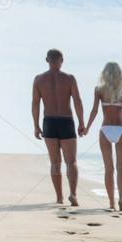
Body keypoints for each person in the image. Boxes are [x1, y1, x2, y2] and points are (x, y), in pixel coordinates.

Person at [32, 48, 85, 206]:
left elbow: (35, 104)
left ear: (47, 60)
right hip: (66, 120)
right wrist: (82, 122)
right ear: (62, 60)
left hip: (49, 121)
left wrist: (36, 125)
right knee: (71, 161)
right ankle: (73, 194)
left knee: (55, 163)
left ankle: (59, 198)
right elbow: (77, 101)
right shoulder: (69, 79)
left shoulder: (39, 80)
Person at [85, 62, 122, 212]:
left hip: (105, 129)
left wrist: (87, 127)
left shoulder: (99, 91)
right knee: (121, 168)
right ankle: (121, 200)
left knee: (109, 169)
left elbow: (94, 110)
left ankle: (111, 203)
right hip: (120, 129)